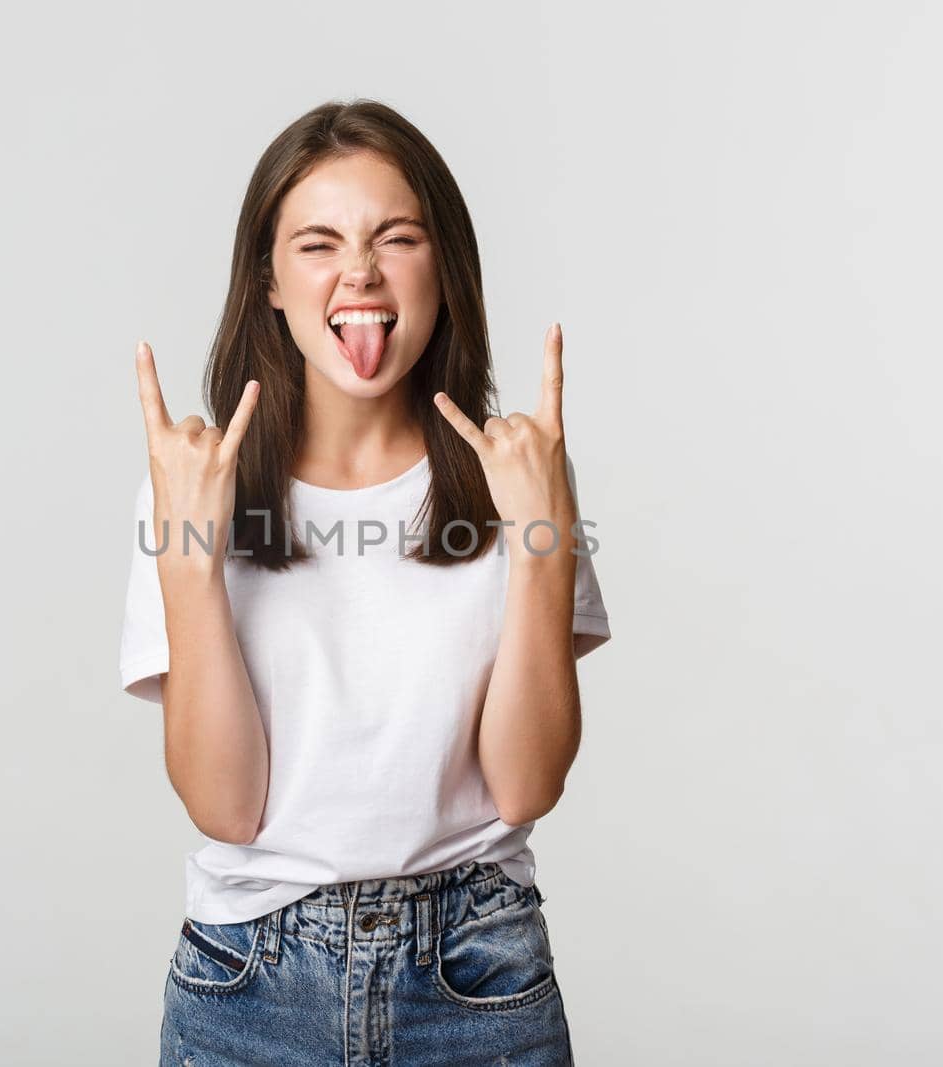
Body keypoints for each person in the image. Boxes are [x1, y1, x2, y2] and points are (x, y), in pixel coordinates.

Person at [119, 98, 611, 1065]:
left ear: (443, 267)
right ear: (267, 279)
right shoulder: (194, 484)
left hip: (479, 977)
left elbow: (527, 782)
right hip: (249, 985)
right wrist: (190, 560)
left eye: (396, 237)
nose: (360, 272)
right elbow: (227, 807)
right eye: (318, 244)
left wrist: (542, 543)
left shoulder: (519, 475)